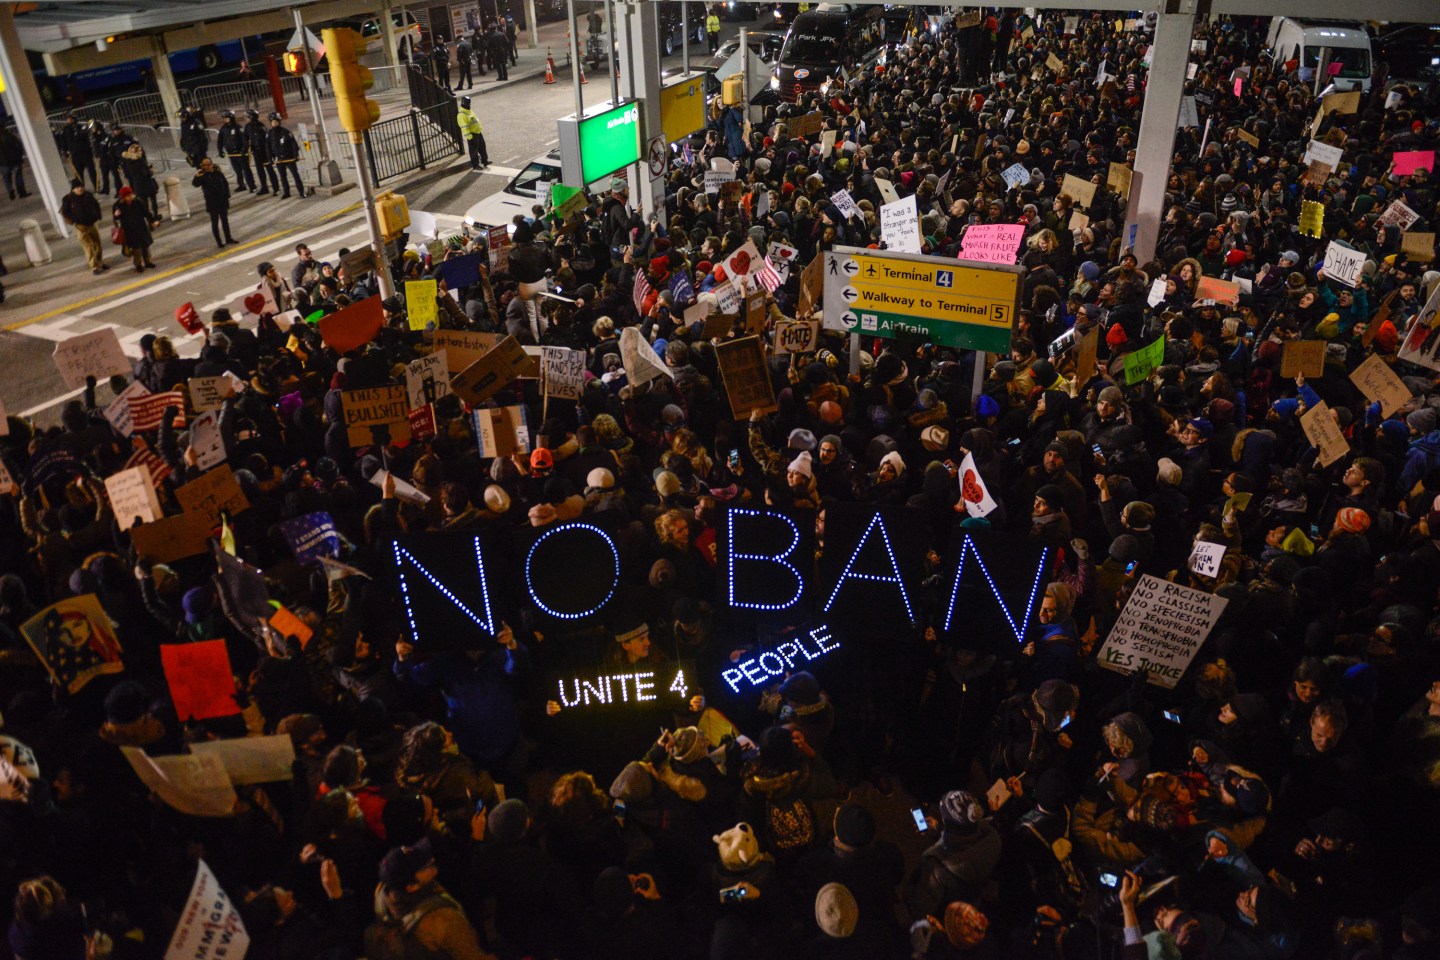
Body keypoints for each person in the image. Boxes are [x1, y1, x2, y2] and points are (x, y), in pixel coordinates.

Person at [59, 178, 107, 275]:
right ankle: (94, 266)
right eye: (77, 188)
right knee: (88, 247)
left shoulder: (88, 195)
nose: (80, 189)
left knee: (97, 244)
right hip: (81, 227)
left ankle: (100, 262)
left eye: (81, 187)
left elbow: (96, 205)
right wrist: (73, 221)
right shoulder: (68, 199)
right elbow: (64, 213)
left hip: (92, 224)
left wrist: (98, 215)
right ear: (73, 189)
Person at [192, 156, 237, 248]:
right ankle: (219, 241)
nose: (207, 166)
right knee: (215, 223)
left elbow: (225, 184)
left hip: (222, 201)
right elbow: (195, 184)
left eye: (208, 164)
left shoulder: (218, 173)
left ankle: (228, 238)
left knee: (225, 221)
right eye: (204, 165)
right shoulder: (202, 176)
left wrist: (227, 196)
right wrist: (196, 176)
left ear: (212, 165)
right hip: (212, 202)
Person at [111, 184, 155, 271]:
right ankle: (138, 264)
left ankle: (148, 261)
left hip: (141, 227)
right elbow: (116, 218)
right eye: (127, 196)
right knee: (136, 248)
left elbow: (146, 212)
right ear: (123, 197)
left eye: (130, 195)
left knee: (145, 246)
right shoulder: (117, 205)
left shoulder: (137, 202)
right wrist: (116, 215)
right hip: (129, 229)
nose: (130, 197)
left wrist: (152, 220)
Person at [267, 112, 307, 200]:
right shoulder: (269, 134)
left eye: (276, 121)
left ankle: (301, 192)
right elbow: (268, 147)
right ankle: (286, 192)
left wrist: (295, 155)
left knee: (295, 175)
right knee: (283, 177)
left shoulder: (286, 132)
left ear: (279, 121)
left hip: (289, 158)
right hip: (279, 159)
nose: (274, 123)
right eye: (272, 122)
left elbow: (294, 145)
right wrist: (270, 159)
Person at [217, 109, 257, 193]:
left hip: (240, 153)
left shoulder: (238, 127)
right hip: (231, 154)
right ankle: (241, 185)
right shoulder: (223, 128)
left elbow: (244, 140)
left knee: (246, 170)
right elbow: (220, 140)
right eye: (224, 118)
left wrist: (243, 150)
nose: (225, 120)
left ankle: (252, 186)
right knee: (237, 171)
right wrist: (220, 150)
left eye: (226, 118)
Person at [58, 114, 96, 190]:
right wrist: (64, 150)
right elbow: (63, 141)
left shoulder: (81, 127)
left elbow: (86, 135)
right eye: (68, 119)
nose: (68, 120)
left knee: (92, 171)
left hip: (86, 153)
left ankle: (96, 186)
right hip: (75, 155)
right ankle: (81, 188)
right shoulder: (65, 129)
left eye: (70, 119)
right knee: (78, 173)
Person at [246, 107, 278, 196]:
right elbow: (246, 138)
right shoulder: (248, 127)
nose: (246, 119)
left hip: (264, 152)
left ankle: (276, 188)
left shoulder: (261, 126)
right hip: (256, 152)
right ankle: (264, 188)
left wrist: (270, 152)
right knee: (260, 171)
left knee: (269, 170)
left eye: (248, 117)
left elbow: (267, 140)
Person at [457, 96, 489, 170]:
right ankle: (475, 165)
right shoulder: (461, 115)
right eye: (468, 103)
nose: (469, 105)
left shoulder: (468, 110)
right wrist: (469, 137)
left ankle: (485, 161)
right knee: (474, 150)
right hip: (472, 134)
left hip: (477, 132)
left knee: (482, 147)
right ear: (465, 103)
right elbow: (464, 128)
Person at [0, 124, 27, 199]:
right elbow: (19, 146)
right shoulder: (11, 136)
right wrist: (19, 156)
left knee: (6, 177)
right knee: (18, 175)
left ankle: (10, 191)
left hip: (3, 162)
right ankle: (21, 192)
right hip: (15, 160)